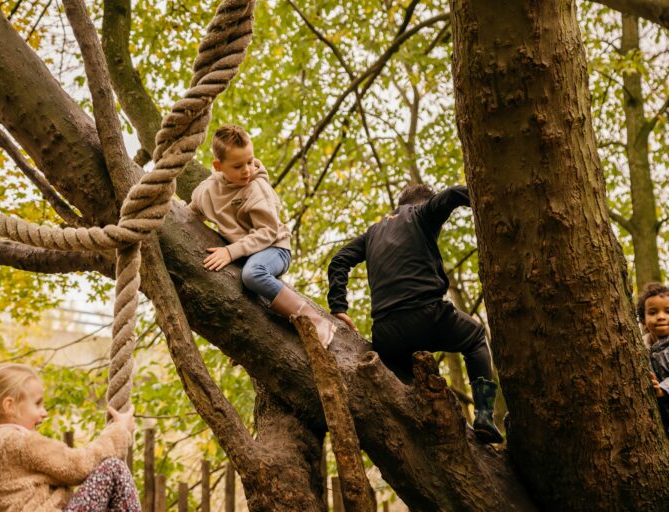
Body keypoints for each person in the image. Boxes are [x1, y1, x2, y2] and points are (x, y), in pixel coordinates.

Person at [327, 183, 503, 443]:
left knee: (411, 383)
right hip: (426, 315)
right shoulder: (422, 213)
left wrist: (338, 307)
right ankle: (485, 416)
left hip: (386, 335)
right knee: (475, 337)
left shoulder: (374, 232)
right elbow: (454, 194)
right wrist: (493, 202)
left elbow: (339, 260)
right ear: (422, 203)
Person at [189, 124, 335, 348]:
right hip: (247, 252)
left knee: (253, 275)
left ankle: (316, 322)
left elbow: (268, 231)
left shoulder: (256, 188)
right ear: (218, 166)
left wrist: (231, 251)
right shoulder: (206, 191)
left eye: (250, 161)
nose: (247, 170)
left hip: (275, 248)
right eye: (238, 166)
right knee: (240, 287)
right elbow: (192, 214)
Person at [0, 363, 140, 511]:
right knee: (113, 468)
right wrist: (119, 431)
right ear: (9, 406)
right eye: (37, 404)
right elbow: (79, 466)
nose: (44, 413)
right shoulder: (20, 442)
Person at [636, 282, 669, 437]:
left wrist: (663, 389)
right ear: (643, 320)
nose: (661, 317)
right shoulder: (641, 347)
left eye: (668, 311)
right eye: (653, 312)